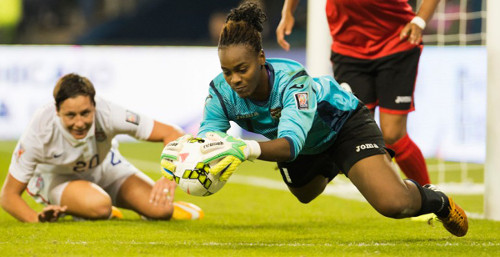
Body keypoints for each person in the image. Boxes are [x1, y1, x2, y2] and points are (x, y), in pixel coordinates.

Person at [162, 1, 467, 237]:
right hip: (308, 142)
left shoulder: (292, 81)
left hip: (342, 124)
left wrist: (243, 149)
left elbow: (291, 145)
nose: (235, 79)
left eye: (242, 69)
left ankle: (435, 200)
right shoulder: (219, 93)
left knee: (393, 204)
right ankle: (341, 164)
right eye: (227, 71)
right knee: (305, 195)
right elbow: (210, 141)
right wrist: (189, 165)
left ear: (261, 59)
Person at [276, 0, 441, 186]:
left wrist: (420, 21)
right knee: (355, 136)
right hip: (348, 52)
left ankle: (432, 198)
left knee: (393, 135)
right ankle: (393, 192)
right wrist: (288, 11)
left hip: (395, 44)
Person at [0, 73, 203, 222]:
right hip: (58, 178)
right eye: (71, 115)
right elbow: (8, 196)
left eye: (85, 113)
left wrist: (170, 175)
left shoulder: (109, 113)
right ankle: (90, 208)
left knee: (162, 210)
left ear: (94, 106)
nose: (79, 123)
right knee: (99, 206)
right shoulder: (39, 130)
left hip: (105, 166)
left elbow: (172, 133)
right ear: (57, 111)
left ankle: (95, 206)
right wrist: (37, 219)